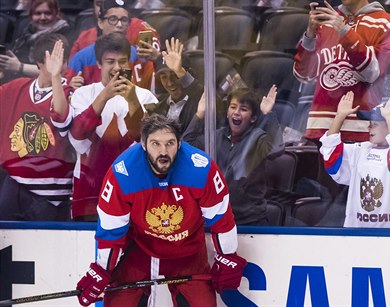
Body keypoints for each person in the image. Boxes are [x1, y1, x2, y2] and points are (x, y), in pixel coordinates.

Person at [76, 113, 247, 306]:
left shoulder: (201, 168)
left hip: (187, 251)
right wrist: (102, 270)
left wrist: (227, 256)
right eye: (155, 143)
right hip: (139, 250)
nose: (163, 151)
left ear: (180, 143)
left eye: (170, 143)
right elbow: (111, 230)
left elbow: (221, 219)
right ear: (143, 143)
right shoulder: (123, 173)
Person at [69, 33, 158, 221]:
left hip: (136, 190)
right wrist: (105, 95)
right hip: (90, 193)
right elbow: (78, 136)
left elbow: (148, 140)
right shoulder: (82, 94)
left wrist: (131, 99)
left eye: (123, 61)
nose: (117, 67)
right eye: (110, 61)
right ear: (99, 64)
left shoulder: (146, 96)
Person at [293, 0, 390, 143]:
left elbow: (371, 73)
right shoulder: (326, 20)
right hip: (320, 127)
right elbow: (304, 75)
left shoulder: (386, 22)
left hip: (361, 129)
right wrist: (309, 36)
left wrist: (345, 31)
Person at [183, 85, 285, 225]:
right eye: (233, 107)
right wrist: (199, 114)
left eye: (243, 109)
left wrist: (269, 114)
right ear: (227, 112)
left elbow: (276, 148)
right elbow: (186, 147)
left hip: (251, 221)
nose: (236, 112)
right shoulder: (216, 136)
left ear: (253, 118)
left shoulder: (258, 138)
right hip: (218, 219)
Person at [0, 33, 75, 220]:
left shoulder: (70, 92)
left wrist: (56, 76)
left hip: (52, 195)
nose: (62, 65)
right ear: (40, 63)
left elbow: (62, 119)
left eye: (64, 60)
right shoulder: (16, 88)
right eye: (56, 60)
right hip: (14, 185)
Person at [319, 91, 390, 228]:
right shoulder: (360, 150)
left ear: (389, 126)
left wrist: (388, 116)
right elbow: (331, 159)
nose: (369, 128)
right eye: (369, 123)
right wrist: (339, 117)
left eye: (374, 124)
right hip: (357, 235)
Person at [65, 0, 158, 91]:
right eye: (112, 19)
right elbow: (67, 95)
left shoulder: (141, 55)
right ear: (100, 23)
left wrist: (158, 59)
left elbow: (158, 89)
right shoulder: (82, 58)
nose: (119, 24)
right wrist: (70, 88)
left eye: (124, 20)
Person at [145, 37, 209, 133]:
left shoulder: (201, 102)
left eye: (175, 75)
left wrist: (180, 71)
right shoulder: (157, 109)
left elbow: (209, 99)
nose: (170, 83)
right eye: (164, 77)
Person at [0, 0, 72, 83]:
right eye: (38, 13)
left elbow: (59, 71)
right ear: (31, 15)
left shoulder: (65, 34)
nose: (43, 18)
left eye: (48, 13)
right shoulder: (25, 32)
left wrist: (20, 67)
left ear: (57, 14)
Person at [70, 0, 160, 59]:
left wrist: (158, 59)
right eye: (99, 4)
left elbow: (160, 68)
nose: (104, 8)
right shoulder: (84, 38)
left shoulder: (142, 30)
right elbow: (68, 75)